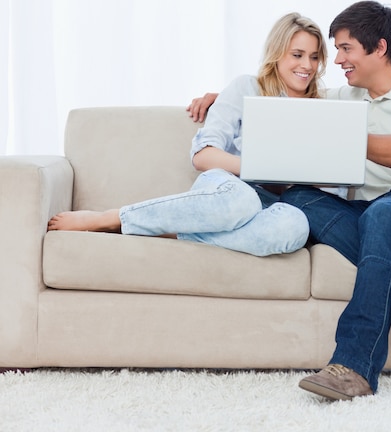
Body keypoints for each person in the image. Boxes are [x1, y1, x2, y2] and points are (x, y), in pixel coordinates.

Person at [187, 1, 391, 401]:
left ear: (379, 48)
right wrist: (225, 97)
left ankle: (354, 366)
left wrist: (346, 134)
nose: (336, 60)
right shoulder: (345, 97)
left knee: (386, 213)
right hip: (374, 214)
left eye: (345, 49)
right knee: (301, 196)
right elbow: (289, 97)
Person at [47, 12, 327, 257]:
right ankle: (113, 218)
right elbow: (203, 155)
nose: (307, 66)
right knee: (243, 201)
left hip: (274, 206)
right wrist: (262, 169)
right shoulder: (246, 88)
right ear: (277, 53)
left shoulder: (323, 110)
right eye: (297, 55)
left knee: (295, 227)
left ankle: (170, 232)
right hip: (229, 189)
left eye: (314, 57)